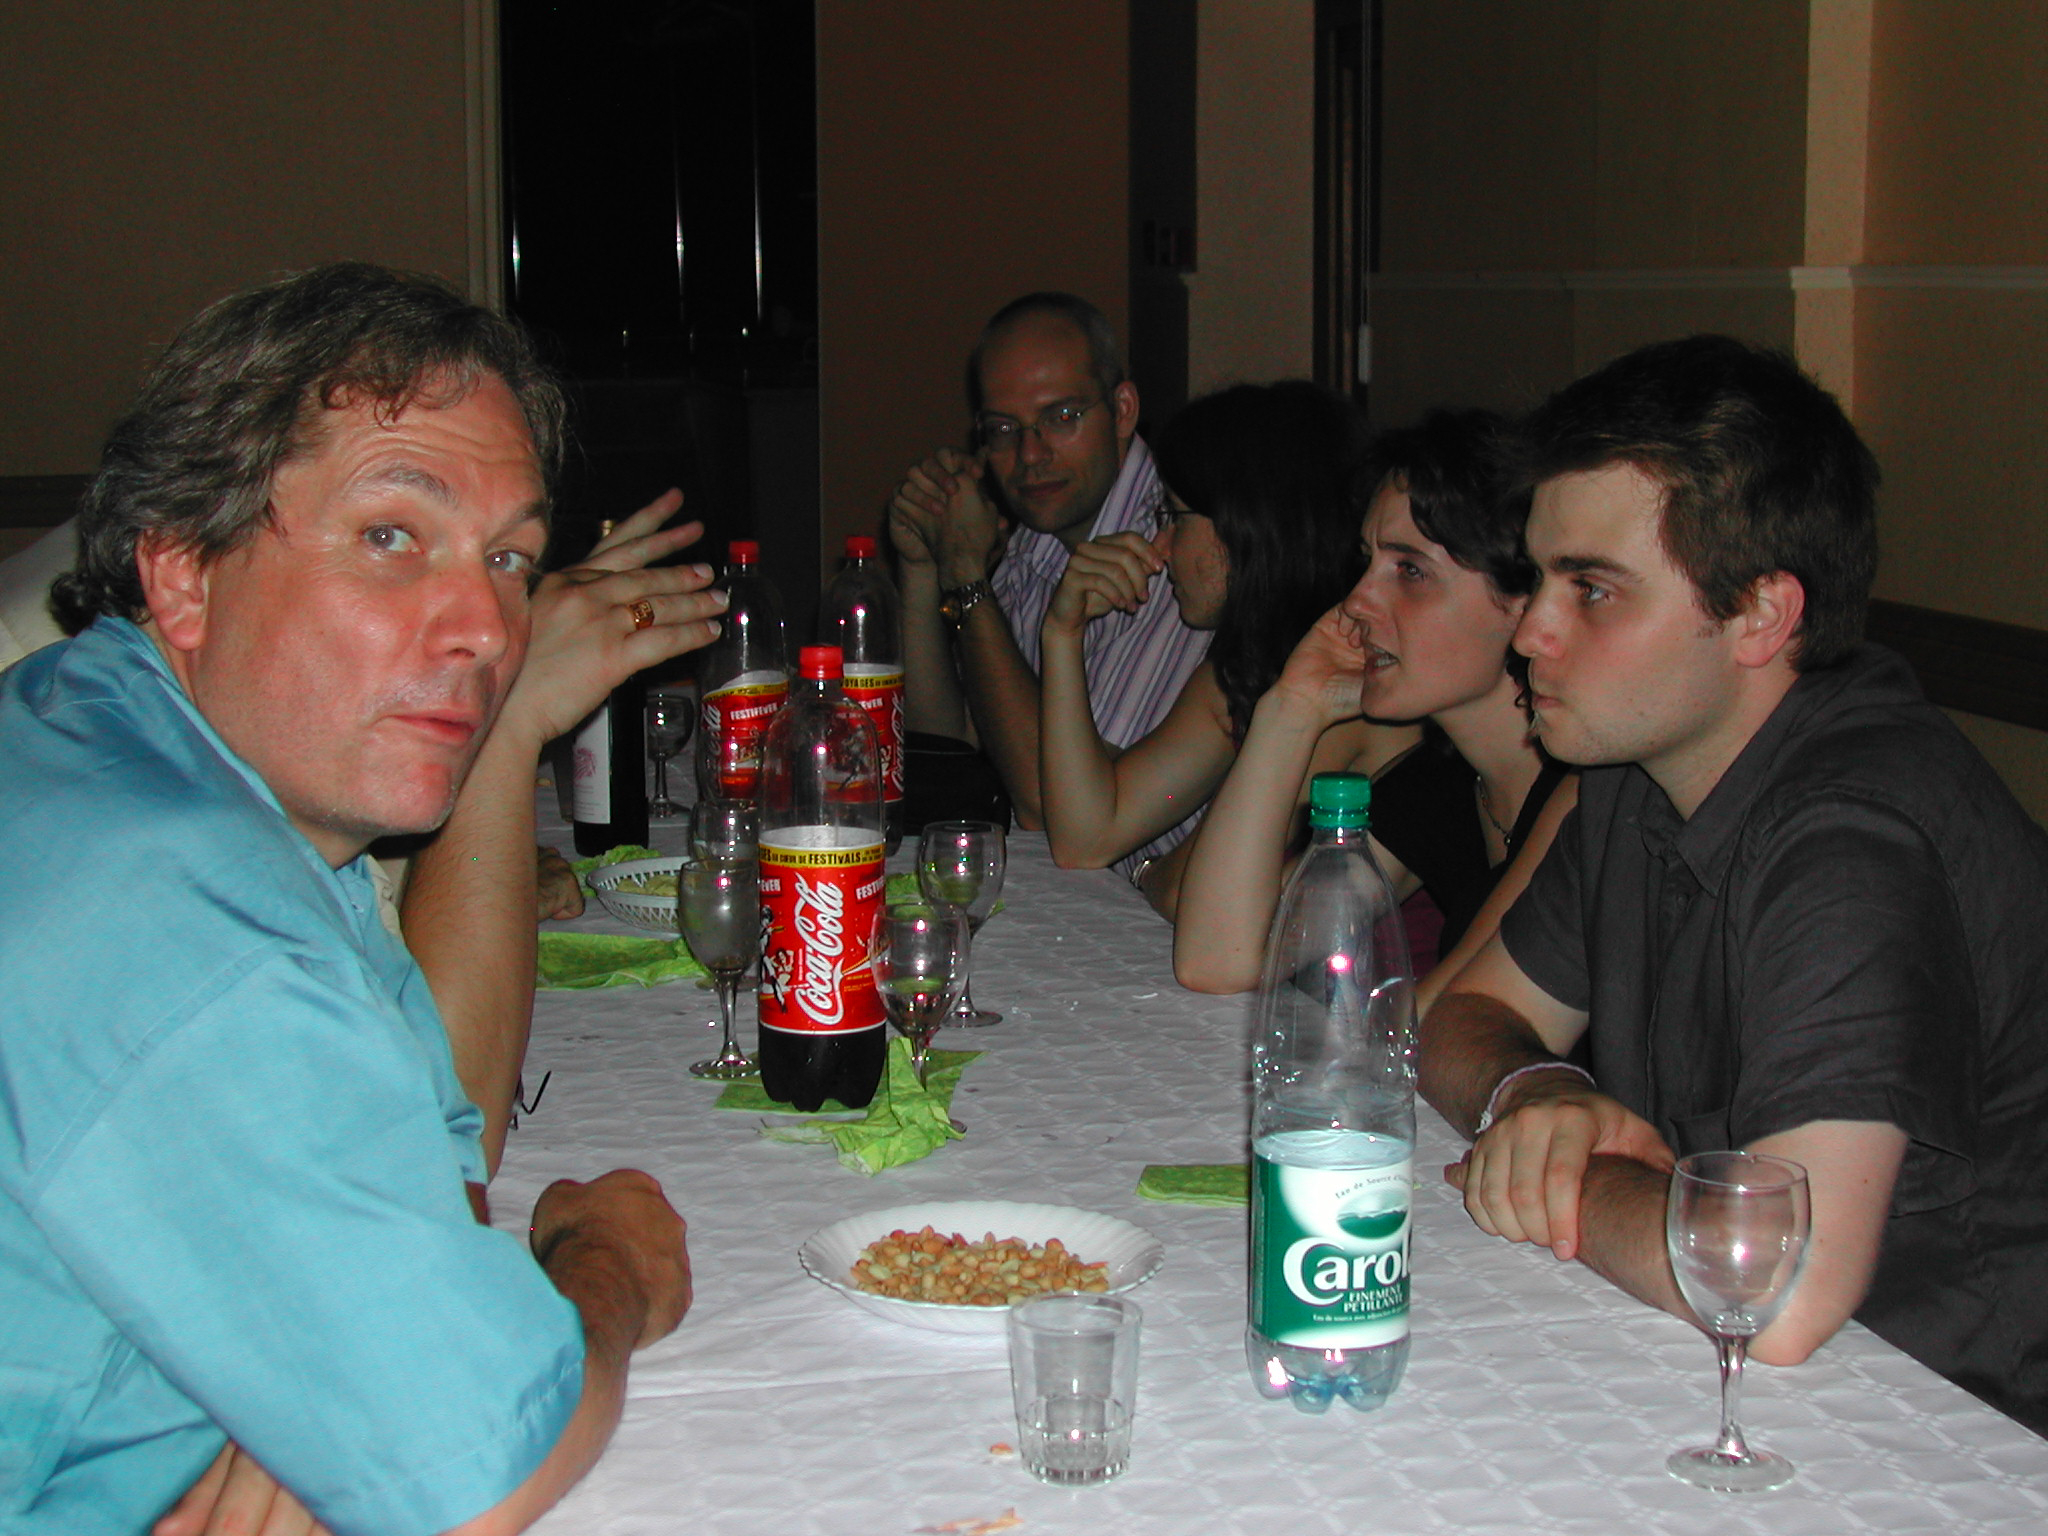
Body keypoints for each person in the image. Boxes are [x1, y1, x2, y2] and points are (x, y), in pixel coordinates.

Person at [0, 263, 721, 1534]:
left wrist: (308, 1379)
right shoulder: (173, 905)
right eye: (392, 536)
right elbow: (479, 1475)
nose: (485, 627)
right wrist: (603, 1265)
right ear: (182, 570)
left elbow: (435, 1160)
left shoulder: (110, 741)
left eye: (509, 558)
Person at [1419, 335, 2048, 1434]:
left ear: (1760, 614)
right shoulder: (1638, 771)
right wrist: (1539, 1096)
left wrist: (1560, 1173)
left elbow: (1779, 1289)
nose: (1530, 632)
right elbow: (1458, 1021)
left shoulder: (1851, 841)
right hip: (1740, 1383)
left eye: (1592, 590)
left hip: (1952, 1429)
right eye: (1538, 578)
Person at [1175, 410, 1575, 997]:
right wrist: (1292, 709)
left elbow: (1447, 1017)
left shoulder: (1588, 797)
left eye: (1410, 570)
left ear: (1523, 600)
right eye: (1366, 562)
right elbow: (1218, 960)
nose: (1358, 600)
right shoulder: (1442, 784)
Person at [890, 292, 1210, 837]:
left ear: (1123, 410)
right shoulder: (1040, 536)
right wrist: (925, 566)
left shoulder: (1177, 549)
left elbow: (1051, 805)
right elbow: (950, 739)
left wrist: (968, 577)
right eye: (1003, 429)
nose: (1030, 455)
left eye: (1061, 418)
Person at [1036, 380, 1368, 901]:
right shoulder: (1246, 666)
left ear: (1246, 524)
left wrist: (1148, 875)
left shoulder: (1347, 678)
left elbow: (1189, 892)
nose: (1161, 546)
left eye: (1174, 516)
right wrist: (1061, 635)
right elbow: (1087, 836)